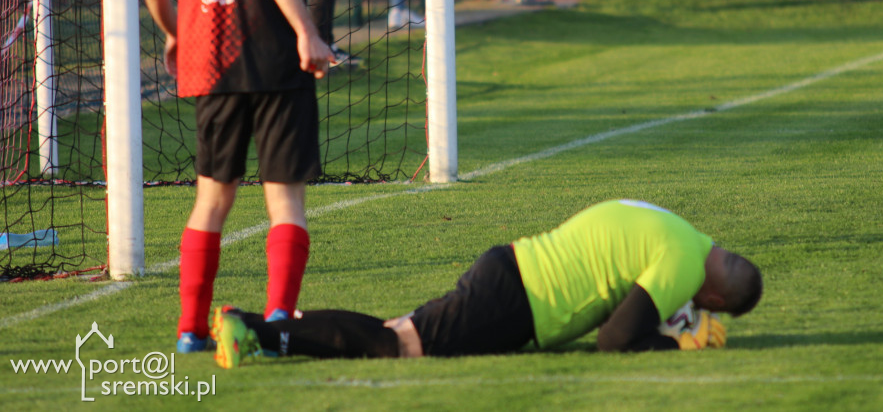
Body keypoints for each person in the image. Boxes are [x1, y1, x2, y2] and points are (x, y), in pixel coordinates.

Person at [137, 0, 334, 354]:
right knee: (285, 199)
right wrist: (307, 31)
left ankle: (190, 331)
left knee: (211, 199)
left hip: (211, 62)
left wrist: (177, 34)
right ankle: (277, 323)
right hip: (274, 59)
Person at [210, 199, 762, 367]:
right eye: (705, 306)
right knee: (396, 345)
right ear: (714, 297)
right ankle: (252, 329)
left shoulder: (684, 232)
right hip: (520, 300)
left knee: (395, 331)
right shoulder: (684, 266)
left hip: (515, 271)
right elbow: (616, 339)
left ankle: (257, 329)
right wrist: (676, 341)